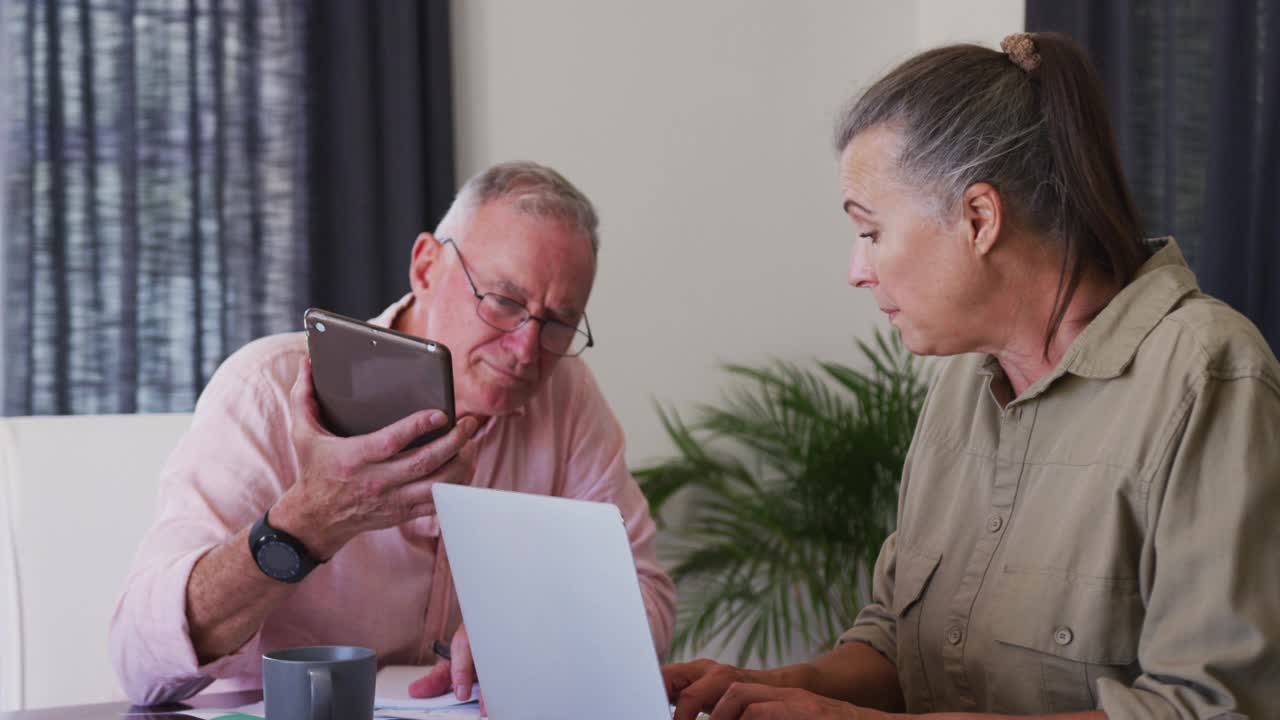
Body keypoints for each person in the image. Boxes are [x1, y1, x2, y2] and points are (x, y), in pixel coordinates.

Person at [663, 32, 1280, 720]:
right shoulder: (961, 387)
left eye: (870, 231)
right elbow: (897, 637)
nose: (856, 270)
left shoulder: (1209, 379)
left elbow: (1215, 710)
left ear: (979, 218)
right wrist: (792, 687)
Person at [109, 161, 676, 705]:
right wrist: (311, 521)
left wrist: (546, 630)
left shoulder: (567, 395)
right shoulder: (265, 387)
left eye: (558, 323)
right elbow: (140, 663)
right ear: (427, 266)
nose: (528, 348)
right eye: (504, 302)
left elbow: (648, 599)